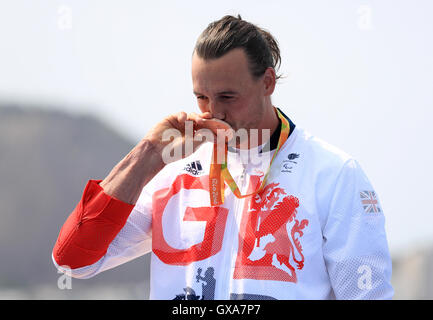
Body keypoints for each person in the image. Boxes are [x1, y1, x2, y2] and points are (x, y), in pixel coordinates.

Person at [52, 15, 394, 300]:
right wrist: (147, 156)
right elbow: (72, 262)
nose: (213, 112)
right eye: (201, 96)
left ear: (268, 82)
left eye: (227, 96)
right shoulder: (170, 174)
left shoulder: (334, 174)